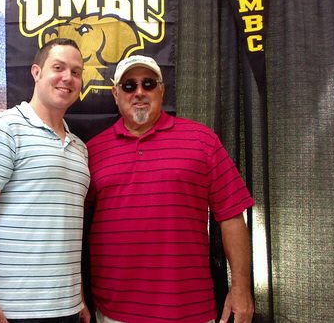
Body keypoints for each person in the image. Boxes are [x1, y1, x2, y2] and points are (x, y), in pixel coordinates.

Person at [84, 55, 255, 323]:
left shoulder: (202, 140)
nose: (139, 92)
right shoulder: (92, 151)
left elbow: (231, 215)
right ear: (115, 94)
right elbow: (72, 226)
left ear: (161, 90)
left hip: (189, 310)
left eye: (148, 84)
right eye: (129, 86)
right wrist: (77, 296)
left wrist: (241, 289)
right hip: (114, 312)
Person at [0, 38, 91, 323]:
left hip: (67, 309)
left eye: (76, 72)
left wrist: (77, 296)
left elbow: (65, 227)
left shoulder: (80, 147)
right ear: (36, 72)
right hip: (11, 311)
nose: (68, 77)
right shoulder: (2, 128)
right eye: (58, 67)